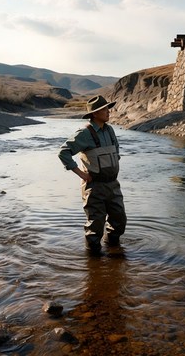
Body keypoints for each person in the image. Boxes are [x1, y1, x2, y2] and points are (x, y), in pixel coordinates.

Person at [58, 95, 127, 254]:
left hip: (113, 185)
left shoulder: (110, 130)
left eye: (108, 108)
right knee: (95, 226)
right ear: (95, 113)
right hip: (94, 187)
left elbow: (116, 150)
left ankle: (113, 253)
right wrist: (81, 174)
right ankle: (93, 261)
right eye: (104, 109)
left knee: (119, 221)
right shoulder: (84, 133)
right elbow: (63, 152)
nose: (108, 112)